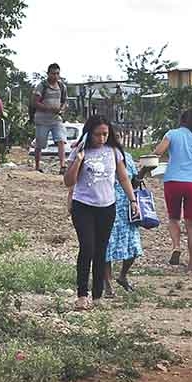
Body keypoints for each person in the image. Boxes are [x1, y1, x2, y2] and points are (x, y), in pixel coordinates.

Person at [63, 115, 140, 311]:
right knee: (87, 247)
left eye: (105, 134)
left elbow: (123, 178)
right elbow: (68, 181)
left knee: (101, 250)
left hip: (107, 207)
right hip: (83, 206)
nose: (102, 138)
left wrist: (133, 200)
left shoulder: (113, 151)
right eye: (98, 134)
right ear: (89, 134)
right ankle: (82, 294)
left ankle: (97, 295)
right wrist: (78, 160)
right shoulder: (80, 151)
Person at [152, 108, 192, 273]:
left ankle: (176, 246)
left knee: (173, 218)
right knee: (191, 224)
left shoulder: (172, 134)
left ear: (182, 120)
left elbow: (158, 152)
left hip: (172, 181)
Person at [103, 151, 145, 297]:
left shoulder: (125, 156)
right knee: (106, 245)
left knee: (133, 245)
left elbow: (133, 182)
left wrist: (144, 170)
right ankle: (107, 284)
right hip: (105, 204)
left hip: (125, 207)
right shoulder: (100, 155)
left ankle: (122, 275)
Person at [32, 63, 68, 174]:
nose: (55, 76)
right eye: (53, 73)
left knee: (61, 140)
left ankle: (62, 166)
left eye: (57, 73)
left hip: (56, 119)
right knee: (40, 144)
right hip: (42, 120)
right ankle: (37, 166)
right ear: (48, 74)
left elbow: (65, 102)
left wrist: (61, 109)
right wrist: (49, 108)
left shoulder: (62, 86)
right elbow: (35, 102)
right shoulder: (42, 86)